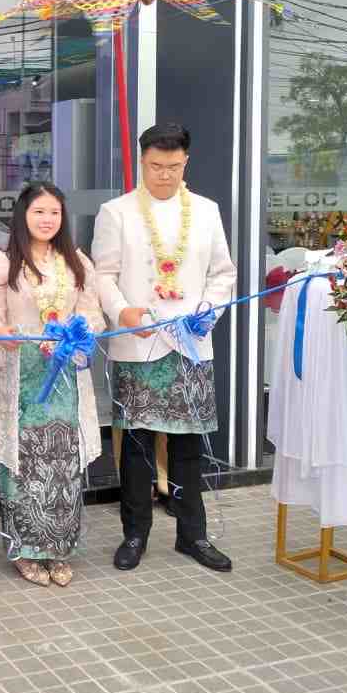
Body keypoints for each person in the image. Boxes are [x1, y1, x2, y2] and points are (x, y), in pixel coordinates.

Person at [90, 123, 237, 574]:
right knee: (135, 447)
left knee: (188, 446)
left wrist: (206, 313)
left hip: (190, 344)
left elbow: (223, 274)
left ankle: (193, 535)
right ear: (142, 161)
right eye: (156, 166)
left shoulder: (207, 211)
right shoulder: (116, 212)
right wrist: (122, 312)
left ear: (185, 162)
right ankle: (135, 533)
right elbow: (103, 275)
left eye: (173, 166)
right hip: (139, 345)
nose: (165, 175)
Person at [0, 183, 104, 587]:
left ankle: (60, 548)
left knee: (62, 463)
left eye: (54, 212)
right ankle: (25, 550)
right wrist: (0, 333)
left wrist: (74, 332)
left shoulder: (77, 261)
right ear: (23, 215)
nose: (47, 220)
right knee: (24, 464)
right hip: (21, 379)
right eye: (39, 212)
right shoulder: (2, 262)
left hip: (64, 378)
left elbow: (94, 316)